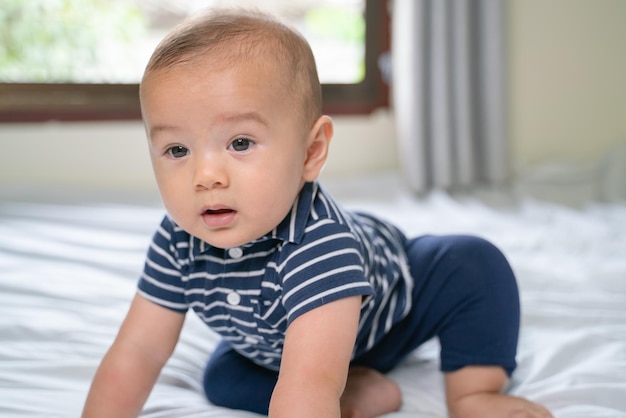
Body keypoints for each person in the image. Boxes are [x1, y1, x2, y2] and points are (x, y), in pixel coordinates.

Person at [82, 8, 552, 418]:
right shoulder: (177, 239)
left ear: (311, 152)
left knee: (473, 264)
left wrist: (319, 388)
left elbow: (306, 383)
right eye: (177, 149)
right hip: (282, 344)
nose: (205, 175)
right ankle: (358, 390)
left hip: (389, 313)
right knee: (222, 379)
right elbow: (139, 350)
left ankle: (473, 393)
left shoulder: (318, 246)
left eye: (240, 143)